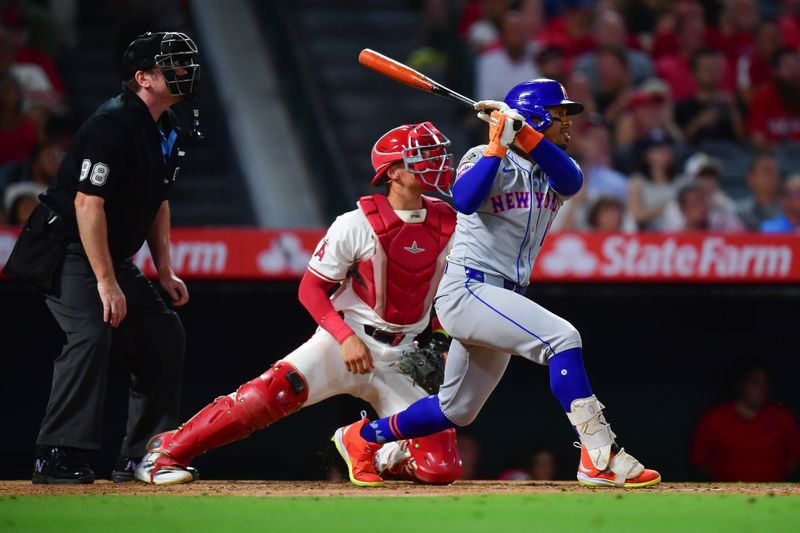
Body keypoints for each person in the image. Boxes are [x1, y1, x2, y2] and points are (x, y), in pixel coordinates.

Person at [331, 79, 661, 489]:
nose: (569, 127)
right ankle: (600, 456)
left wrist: (523, 132)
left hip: (502, 297)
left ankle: (360, 438)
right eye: (560, 117)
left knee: (456, 410)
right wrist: (498, 144)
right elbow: (465, 198)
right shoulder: (481, 156)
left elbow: (572, 182)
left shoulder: (553, 167)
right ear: (539, 117)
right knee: (562, 338)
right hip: (469, 289)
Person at [135, 122, 464, 486]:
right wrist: (344, 337)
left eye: (436, 153)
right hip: (346, 339)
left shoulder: (449, 220)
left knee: (439, 467)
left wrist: (440, 339)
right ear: (392, 173)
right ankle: (166, 453)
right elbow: (310, 288)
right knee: (270, 394)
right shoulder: (356, 223)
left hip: (403, 356)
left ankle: (373, 448)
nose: (437, 161)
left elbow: (454, 291)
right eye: (421, 156)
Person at [3, 31, 200, 484]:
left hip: (104, 250)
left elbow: (158, 201)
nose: (186, 72)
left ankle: (144, 456)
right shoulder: (112, 123)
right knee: (92, 332)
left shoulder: (168, 126)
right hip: (65, 247)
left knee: (162, 334)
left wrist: (164, 269)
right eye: (174, 64)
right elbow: (87, 204)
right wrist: (107, 282)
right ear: (143, 78)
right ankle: (56, 454)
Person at [691, 364, 800, 482]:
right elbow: (699, 460)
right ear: (739, 384)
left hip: (773, 496)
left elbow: (794, 458)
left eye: (765, 382)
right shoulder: (715, 418)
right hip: (726, 496)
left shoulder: (782, 417)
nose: (761, 388)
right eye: (754, 382)